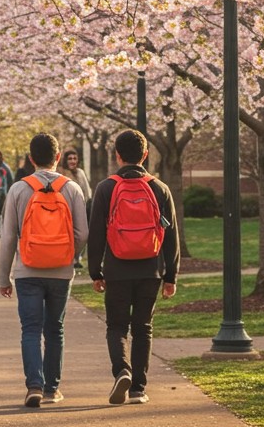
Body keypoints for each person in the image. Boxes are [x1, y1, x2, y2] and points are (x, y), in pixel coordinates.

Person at [87, 130, 180, 406]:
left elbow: (96, 234)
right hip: (150, 269)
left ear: (117, 155)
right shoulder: (159, 188)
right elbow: (172, 235)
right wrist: (171, 275)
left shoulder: (106, 187)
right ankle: (139, 388)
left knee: (116, 326)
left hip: (117, 268)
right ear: (146, 155)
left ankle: (122, 371)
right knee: (143, 327)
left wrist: (96, 271)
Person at [0, 133, 87, 407]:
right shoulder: (71, 188)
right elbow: (82, 233)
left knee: (31, 329)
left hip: (28, 271)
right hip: (61, 271)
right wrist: (70, 255)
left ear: (31, 159)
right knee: (55, 329)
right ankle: (52, 389)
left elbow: (9, 237)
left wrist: (4, 276)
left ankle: (33, 386)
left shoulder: (18, 189)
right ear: (58, 157)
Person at [62, 149, 92, 269]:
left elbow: (87, 190)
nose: (73, 161)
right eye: (70, 159)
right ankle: (71, 258)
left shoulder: (80, 172)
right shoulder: (63, 173)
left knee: (82, 234)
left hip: (82, 208)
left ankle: (77, 257)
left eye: (74, 158)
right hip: (67, 209)